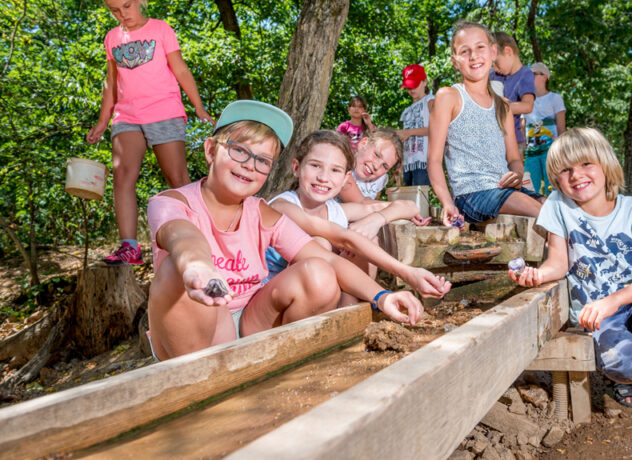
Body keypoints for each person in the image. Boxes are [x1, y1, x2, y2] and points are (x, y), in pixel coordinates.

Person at [146, 100, 422, 361]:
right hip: (197, 324)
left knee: (319, 270)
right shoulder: (172, 203)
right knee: (174, 270)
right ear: (210, 150)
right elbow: (183, 237)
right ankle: (203, 384)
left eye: (263, 160)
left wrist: (382, 297)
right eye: (239, 150)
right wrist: (197, 267)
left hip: (252, 319)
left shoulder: (261, 211)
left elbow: (327, 259)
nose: (249, 165)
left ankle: (280, 365)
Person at [509, 128, 632, 445]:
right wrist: (535, 276)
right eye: (565, 170)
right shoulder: (558, 205)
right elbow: (558, 264)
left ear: (606, 164)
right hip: (597, 319)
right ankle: (624, 376)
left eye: (586, 164)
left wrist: (613, 300)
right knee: (630, 363)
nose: (576, 175)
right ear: (555, 179)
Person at [86, 0, 213, 266]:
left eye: (126, 6)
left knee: (177, 178)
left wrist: (198, 107)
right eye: (114, 10)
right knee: (122, 176)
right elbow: (111, 82)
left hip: (164, 111)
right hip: (127, 116)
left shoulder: (160, 29)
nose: (123, 14)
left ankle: (200, 239)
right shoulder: (112, 38)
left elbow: (180, 69)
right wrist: (103, 120)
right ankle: (129, 247)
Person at [267, 130, 449, 305]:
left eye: (335, 170)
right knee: (323, 244)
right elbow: (343, 237)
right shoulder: (283, 206)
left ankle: (350, 309)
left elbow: (409, 206)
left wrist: (376, 219)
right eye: (315, 166)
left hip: (323, 288)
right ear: (296, 168)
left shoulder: (336, 210)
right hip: (274, 297)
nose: (323, 177)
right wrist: (407, 273)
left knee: (364, 238)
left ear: (345, 178)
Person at [428, 21, 542, 226]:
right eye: (465, 51)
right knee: (541, 213)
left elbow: (514, 159)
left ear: (493, 52)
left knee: (551, 206)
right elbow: (434, 160)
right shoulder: (449, 96)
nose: (473, 56)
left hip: (504, 189)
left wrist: (516, 175)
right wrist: (447, 203)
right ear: (455, 61)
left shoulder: (504, 106)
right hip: (471, 194)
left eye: (480, 47)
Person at [521, 62, 566, 195]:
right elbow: (522, 127)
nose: (530, 77)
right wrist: (521, 151)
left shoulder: (555, 98)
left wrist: (562, 151)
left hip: (551, 151)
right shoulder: (525, 100)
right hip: (531, 152)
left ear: (545, 76)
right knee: (529, 189)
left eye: (534, 74)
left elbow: (561, 128)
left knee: (553, 187)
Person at [489, 32, 536, 159]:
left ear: (508, 51)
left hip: (513, 139)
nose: (494, 68)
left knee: (513, 169)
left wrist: (499, 107)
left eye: (496, 63)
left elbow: (527, 106)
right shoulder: (493, 75)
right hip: (493, 139)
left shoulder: (525, 74)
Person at [338, 129, 405, 204]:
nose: (376, 166)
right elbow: (362, 204)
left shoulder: (380, 180)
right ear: (363, 144)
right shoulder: (341, 167)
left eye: (384, 166)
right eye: (376, 155)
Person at [397, 64, 435, 186]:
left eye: (415, 85)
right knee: (409, 195)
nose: (412, 90)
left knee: (419, 196)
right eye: (408, 87)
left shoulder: (430, 101)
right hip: (408, 163)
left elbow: (438, 130)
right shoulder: (407, 110)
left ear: (425, 82)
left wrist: (409, 132)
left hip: (424, 162)